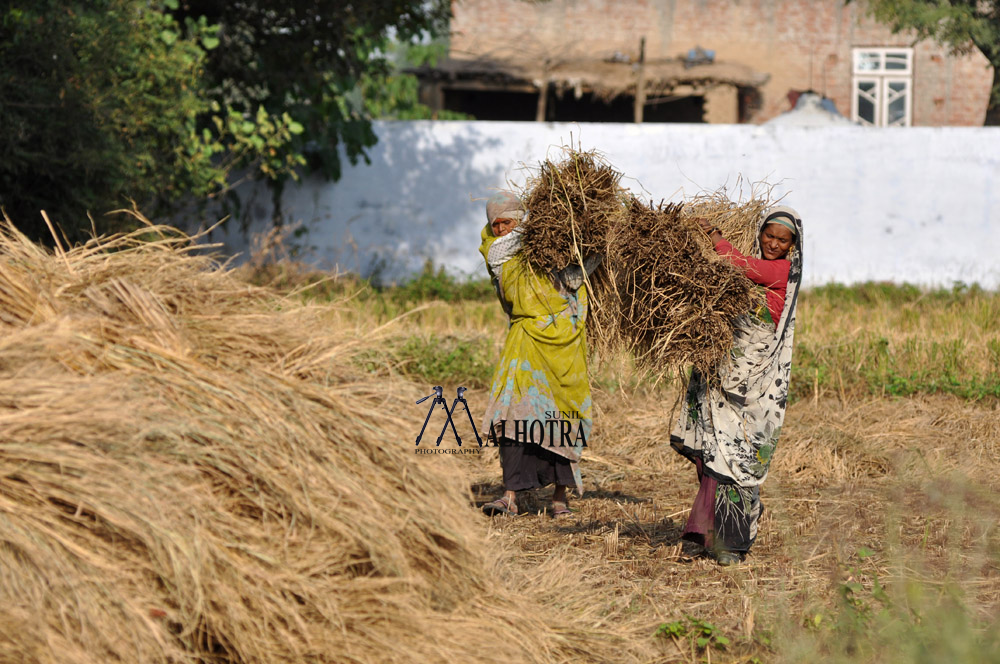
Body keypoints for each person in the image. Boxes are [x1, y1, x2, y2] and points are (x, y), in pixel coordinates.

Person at [671, 206, 803, 565]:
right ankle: (708, 535)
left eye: (782, 240)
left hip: (750, 385)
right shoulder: (756, 277)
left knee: (736, 460)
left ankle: (732, 544)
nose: (773, 244)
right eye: (768, 235)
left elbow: (741, 264)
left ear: (793, 246)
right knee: (716, 454)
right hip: (724, 378)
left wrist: (713, 234)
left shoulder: (780, 270)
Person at [478, 191, 597, 518]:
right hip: (526, 344)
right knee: (515, 416)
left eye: (507, 222)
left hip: (565, 346)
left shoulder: (552, 247)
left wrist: (589, 243)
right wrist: (532, 234)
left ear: (521, 218)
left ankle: (560, 499)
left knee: (562, 417)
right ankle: (510, 496)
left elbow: (576, 277)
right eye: (496, 223)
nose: (501, 229)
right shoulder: (497, 253)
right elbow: (506, 256)